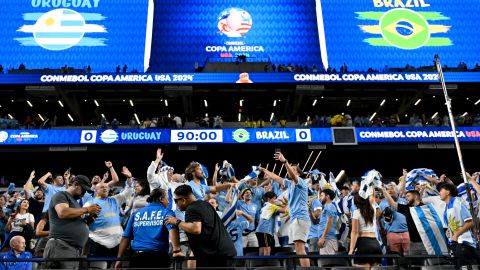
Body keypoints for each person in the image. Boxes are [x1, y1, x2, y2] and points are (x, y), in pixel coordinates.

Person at [166, 185, 236, 269]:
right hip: (225, 252)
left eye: (176, 201)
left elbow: (196, 229)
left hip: (213, 257)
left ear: (183, 200)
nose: (176, 204)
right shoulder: (206, 204)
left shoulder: (191, 208)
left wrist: (176, 221)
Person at [262, 152, 311, 267]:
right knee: (298, 249)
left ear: (298, 173)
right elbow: (277, 178)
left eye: (293, 169)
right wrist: (264, 169)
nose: (290, 171)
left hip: (300, 218)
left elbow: (293, 176)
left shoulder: (301, 183)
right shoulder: (290, 184)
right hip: (296, 219)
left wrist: (285, 162)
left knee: (300, 248)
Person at [115, 188, 183, 270]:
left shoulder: (136, 213)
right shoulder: (167, 212)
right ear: (161, 199)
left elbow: (126, 237)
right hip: (159, 259)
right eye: (167, 199)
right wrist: (176, 251)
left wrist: (119, 259)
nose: (168, 202)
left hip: (137, 259)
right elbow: (172, 229)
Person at [44, 175, 101, 269]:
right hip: (61, 247)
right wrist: (87, 209)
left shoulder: (75, 202)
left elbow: (74, 222)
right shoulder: (61, 195)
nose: (84, 193)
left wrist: (88, 220)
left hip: (72, 250)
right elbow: (62, 212)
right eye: (83, 189)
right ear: (75, 184)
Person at [84, 178, 133, 267]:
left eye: (106, 187)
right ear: (96, 190)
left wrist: (129, 179)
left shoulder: (114, 200)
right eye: (102, 187)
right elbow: (83, 222)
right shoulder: (89, 204)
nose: (105, 188)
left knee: (116, 267)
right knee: (99, 268)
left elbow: (128, 192)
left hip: (117, 244)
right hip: (98, 243)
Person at [439, 183, 479, 268]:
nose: (439, 192)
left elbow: (470, 222)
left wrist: (457, 234)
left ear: (448, 192)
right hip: (455, 243)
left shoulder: (457, 203)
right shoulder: (447, 206)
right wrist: (449, 231)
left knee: (465, 267)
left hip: (464, 243)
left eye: (441, 190)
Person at [382, 187, 428, 255]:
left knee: (428, 264)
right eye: (405, 197)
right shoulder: (406, 209)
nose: (406, 198)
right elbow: (392, 203)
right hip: (413, 244)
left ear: (415, 197)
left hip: (427, 243)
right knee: (413, 264)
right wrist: (383, 190)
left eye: (408, 196)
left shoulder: (426, 208)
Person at [349, 193, 382, 269]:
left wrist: (351, 250)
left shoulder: (356, 212)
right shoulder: (373, 209)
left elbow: (355, 232)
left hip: (363, 244)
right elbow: (373, 198)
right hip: (376, 244)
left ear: (356, 202)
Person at [256, 191, 286, 256]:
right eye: (274, 198)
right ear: (269, 199)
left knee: (262, 248)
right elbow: (284, 211)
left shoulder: (264, 206)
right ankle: (267, 264)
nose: (275, 200)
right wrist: (287, 204)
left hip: (260, 230)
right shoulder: (271, 206)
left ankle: (260, 264)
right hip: (265, 230)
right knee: (267, 248)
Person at [317, 188, 339, 255]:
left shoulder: (330, 206)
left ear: (327, 196)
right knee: (325, 263)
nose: (320, 198)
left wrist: (323, 237)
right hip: (326, 239)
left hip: (327, 239)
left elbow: (330, 221)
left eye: (322, 195)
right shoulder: (327, 207)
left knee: (328, 263)